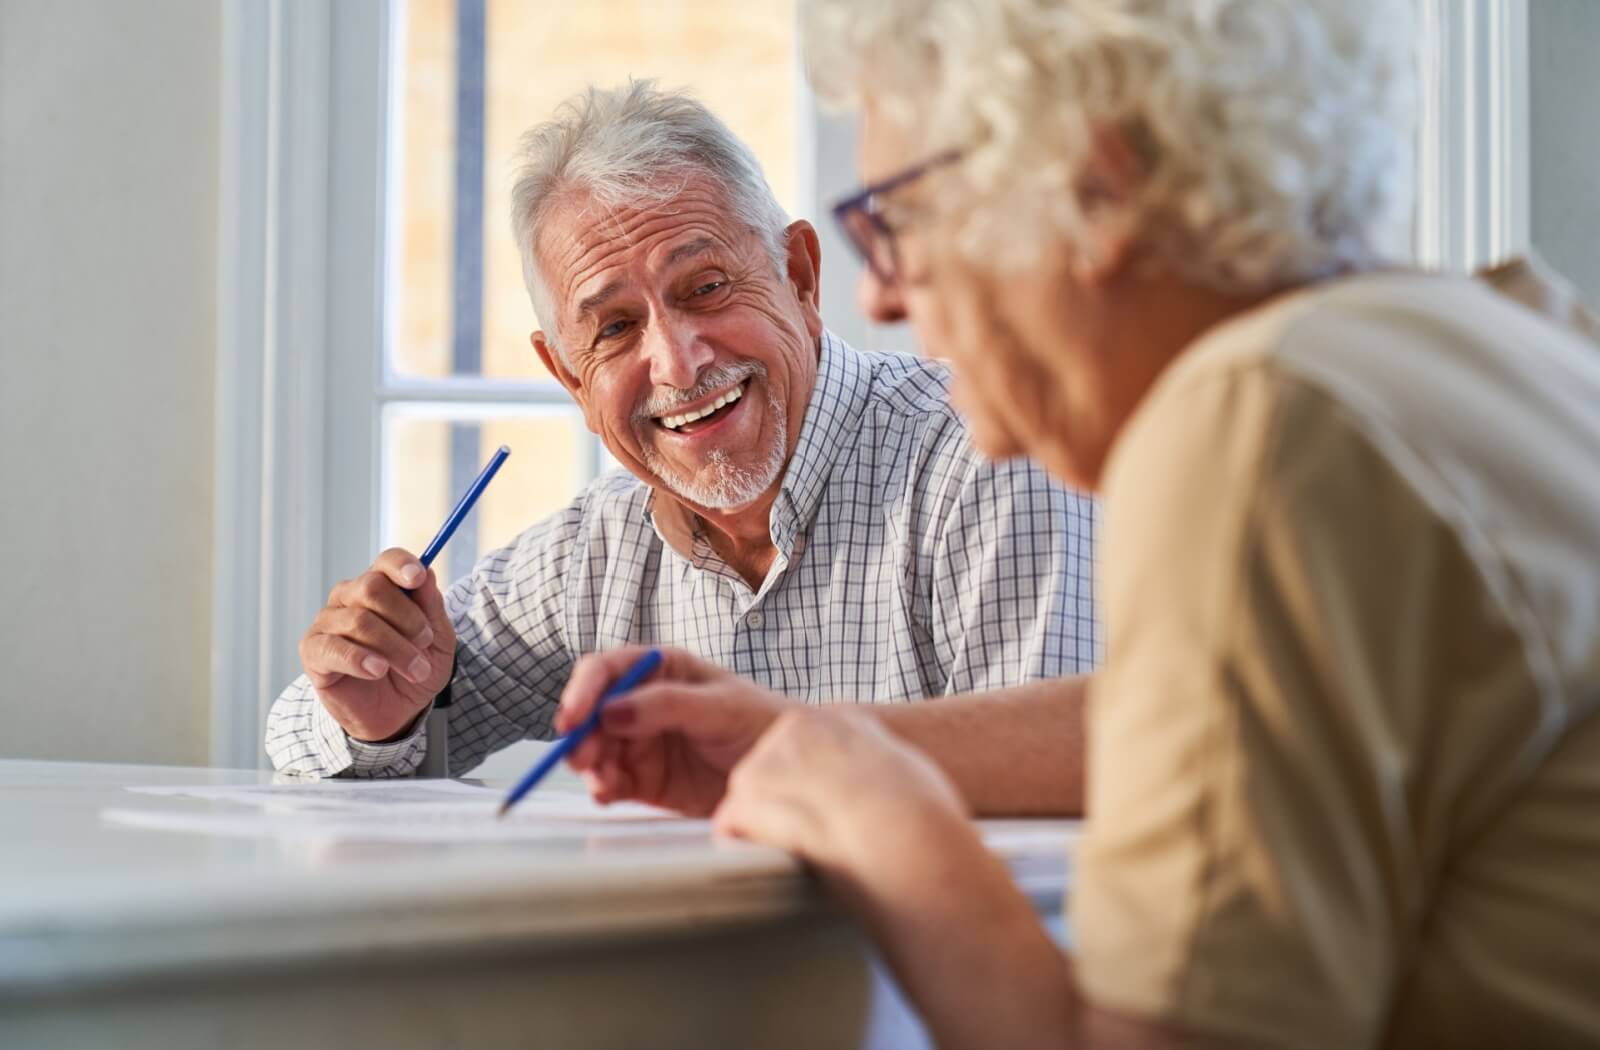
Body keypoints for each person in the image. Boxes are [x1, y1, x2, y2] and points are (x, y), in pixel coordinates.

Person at [555, 2, 1600, 1047]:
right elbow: (1205, 725)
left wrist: (887, 829)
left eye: (894, 221)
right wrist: (809, 740)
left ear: (1086, 189)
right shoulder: (1503, 339)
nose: (879, 298)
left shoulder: (1256, 419)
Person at [265, 81, 1098, 780]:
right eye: (616, 328)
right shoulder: (595, 552)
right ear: (569, 379)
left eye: (704, 288)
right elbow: (299, 733)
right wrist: (377, 713)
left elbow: (1058, 806)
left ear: (800, 278)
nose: (676, 361)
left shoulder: (985, 457)